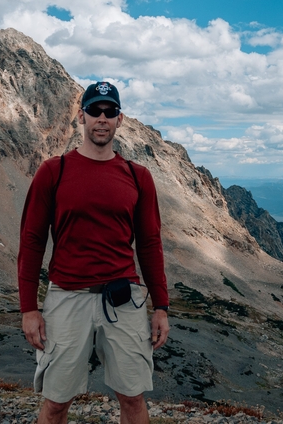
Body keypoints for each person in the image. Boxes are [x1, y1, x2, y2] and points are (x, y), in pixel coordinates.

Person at [18, 81, 170, 424]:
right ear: (81, 116)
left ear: (120, 120)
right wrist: (28, 308)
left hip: (124, 299)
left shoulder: (138, 176)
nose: (102, 118)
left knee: (133, 398)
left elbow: (149, 244)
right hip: (67, 298)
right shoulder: (52, 172)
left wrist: (160, 306)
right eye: (95, 111)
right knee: (56, 401)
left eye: (110, 111)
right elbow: (31, 242)